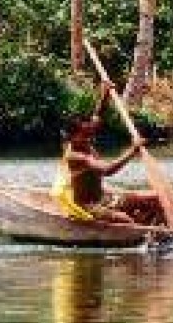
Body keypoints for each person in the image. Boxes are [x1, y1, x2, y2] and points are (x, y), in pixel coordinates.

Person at [51, 82, 160, 225]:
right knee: (125, 220)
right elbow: (108, 170)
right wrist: (132, 151)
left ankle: (150, 227)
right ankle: (137, 227)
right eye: (84, 135)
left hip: (104, 198)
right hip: (89, 207)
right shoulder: (75, 156)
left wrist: (105, 94)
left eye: (89, 133)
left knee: (154, 199)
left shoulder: (85, 138)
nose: (89, 137)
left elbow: (98, 117)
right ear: (71, 137)